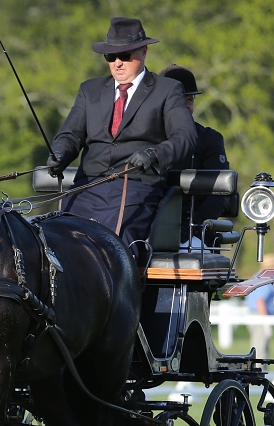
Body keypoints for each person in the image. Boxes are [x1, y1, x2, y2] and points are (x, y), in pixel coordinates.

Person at [47, 17, 197, 261]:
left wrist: (154, 154)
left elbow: (186, 136)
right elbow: (70, 134)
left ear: (144, 52)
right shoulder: (90, 90)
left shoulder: (167, 90)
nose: (117, 63)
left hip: (135, 186)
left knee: (113, 250)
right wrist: (59, 154)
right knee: (54, 244)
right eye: (110, 57)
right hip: (87, 186)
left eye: (125, 55)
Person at [158, 64, 231, 250]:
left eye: (190, 100)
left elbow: (219, 196)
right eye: (179, 100)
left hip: (193, 230)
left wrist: (193, 227)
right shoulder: (145, 139)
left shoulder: (209, 139)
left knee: (193, 253)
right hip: (148, 226)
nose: (186, 107)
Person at [246, 253, 274, 361]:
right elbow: (260, 301)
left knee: (259, 347)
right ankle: (259, 374)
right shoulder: (265, 279)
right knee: (260, 350)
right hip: (260, 315)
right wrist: (266, 322)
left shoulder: (258, 276)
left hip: (255, 315)